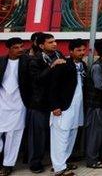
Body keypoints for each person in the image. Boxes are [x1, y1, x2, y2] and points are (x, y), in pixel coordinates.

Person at [48, 38, 86, 176]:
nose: (82, 53)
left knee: (71, 135)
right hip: (63, 108)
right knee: (60, 137)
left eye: (83, 50)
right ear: (71, 51)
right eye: (78, 50)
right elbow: (53, 87)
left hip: (77, 108)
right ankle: (59, 169)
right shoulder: (63, 65)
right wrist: (55, 106)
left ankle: (62, 162)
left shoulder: (83, 66)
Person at [27, 33, 63, 173]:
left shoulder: (58, 54)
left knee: (57, 133)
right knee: (38, 135)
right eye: (50, 42)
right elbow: (37, 80)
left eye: (55, 41)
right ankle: (35, 162)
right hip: (40, 103)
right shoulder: (35, 60)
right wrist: (52, 66)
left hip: (56, 102)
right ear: (41, 45)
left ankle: (58, 161)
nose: (54, 44)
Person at [0, 38, 29, 176]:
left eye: (21, 47)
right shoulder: (1, 61)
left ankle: (8, 164)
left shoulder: (27, 62)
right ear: (9, 49)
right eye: (16, 47)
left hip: (19, 104)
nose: (20, 49)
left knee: (14, 135)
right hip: (2, 102)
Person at [84, 38, 102, 169]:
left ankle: (101, 156)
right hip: (97, 105)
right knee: (95, 134)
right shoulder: (97, 66)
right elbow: (99, 84)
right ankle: (92, 160)